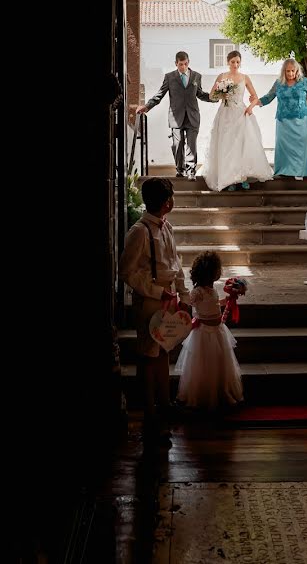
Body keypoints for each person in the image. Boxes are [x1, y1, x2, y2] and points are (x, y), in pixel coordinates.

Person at [119, 177, 190, 445]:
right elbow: (127, 272)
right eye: (169, 196)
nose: (172, 201)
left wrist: (184, 296)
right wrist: (158, 292)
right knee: (148, 357)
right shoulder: (140, 231)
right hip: (151, 300)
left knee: (162, 352)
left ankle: (165, 404)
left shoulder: (166, 227)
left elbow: (176, 263)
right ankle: (150, 416)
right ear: (163, 201)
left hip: (169, 298)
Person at [175, 251, 244, 410]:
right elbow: (187, 304)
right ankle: (203, 394)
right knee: (204, 365)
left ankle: (222, 391)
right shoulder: (197, 292)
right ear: (209, 272)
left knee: (219, 364)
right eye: (218, 270)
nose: (220, 272)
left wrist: (227, 300)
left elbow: (214, 303)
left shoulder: (212, 290)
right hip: (204, 333)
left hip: (218, 331)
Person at [247, 58, 307, 179]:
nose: (290, 74)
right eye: (288, 71)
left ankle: (303, 171)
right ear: (284, 71)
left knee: (302, 148)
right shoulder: (279, 83)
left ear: (297, 70)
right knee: (284, 147)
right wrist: (255, 102)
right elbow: (268, 98)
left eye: (292, 71)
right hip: (283, 121)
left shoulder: (304, 82)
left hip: (302, 121)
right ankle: (285, 171)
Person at [200, 50, 274, 192]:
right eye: (233, 62)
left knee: (241, 146)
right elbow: (211, 96)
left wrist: (251, 108)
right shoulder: (222, 76)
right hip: (225, 115)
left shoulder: (244, 77)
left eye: (238, 62)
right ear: (228, 62)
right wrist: (222, 94)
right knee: (227, 146)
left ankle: (243, 177)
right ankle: (229, 179)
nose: (235, 64)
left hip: (241, 114)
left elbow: (255, 96)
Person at [136, 51, 215, 180]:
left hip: (192, 115)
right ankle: (180, 170)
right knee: (177, 146)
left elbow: (200, 94)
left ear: (188, 62)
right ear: (176, 63)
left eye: (185, 64)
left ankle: (191, 172)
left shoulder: (196, 76)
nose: (183, 67)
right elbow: (159, 94)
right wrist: (147, 106)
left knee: (191, 144)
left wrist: (214, 97)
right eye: (180, 64)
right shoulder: (170, 77)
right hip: (176, 116)